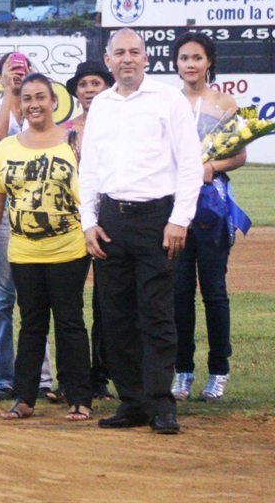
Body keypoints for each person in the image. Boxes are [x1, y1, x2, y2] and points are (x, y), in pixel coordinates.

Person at [80, 28, 202, 435]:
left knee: (156, 314)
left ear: (147, 58)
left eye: (135, 52)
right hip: (112, 220)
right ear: (109, 59)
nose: (127, 59)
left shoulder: (168, 99)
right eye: (120, 53)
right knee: (116, 317)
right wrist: (89, 222)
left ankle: (161, 402)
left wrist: (179, 219)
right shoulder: (101, 106)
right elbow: (90, 169)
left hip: (157, 220)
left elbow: (189, 163)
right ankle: (132, 402)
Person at [0, 73, 93, 422]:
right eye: (27, 98)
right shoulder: (8, 148)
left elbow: (90, 195)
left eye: (41, 97)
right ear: (20, 104)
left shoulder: (74, 143)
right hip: (24, 252)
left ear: (54, 101)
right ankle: (24, 398)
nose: (34, 104)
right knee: (31, 324)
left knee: (70, 321)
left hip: (69, 248)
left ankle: (78, 397)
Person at [171, 32, 247, 402]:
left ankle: (219, 371)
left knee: (214, 292)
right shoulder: (167, 103)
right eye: (184, 58)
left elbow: (240, 156)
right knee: (179, 293)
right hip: (176, 211)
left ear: (209, 62)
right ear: (176, 63)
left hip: (213, 208)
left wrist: (211, 166)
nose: (190, 64)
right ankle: (182, 371)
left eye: (197, 58)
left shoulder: (225, 103)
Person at [0, 52, 56, 402]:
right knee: (2, 301)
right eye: (10, 72)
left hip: (34, 213)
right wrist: (12, 90)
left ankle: (41, 379)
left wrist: (24, 91)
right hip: (3, 218)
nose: (16, 76)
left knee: (35, 299)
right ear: (0, 79)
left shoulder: (33, 110)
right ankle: (3, 379)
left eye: (22, 72)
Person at [63, 60, 116, 401]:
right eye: (83, 84)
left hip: (108, 218)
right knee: (67, 302)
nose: (90, 89)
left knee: (106, 302)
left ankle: (100, 377)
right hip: (70, 220)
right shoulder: (67, 129)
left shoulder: (119, 124)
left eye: (96, 82)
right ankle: (70, 380)